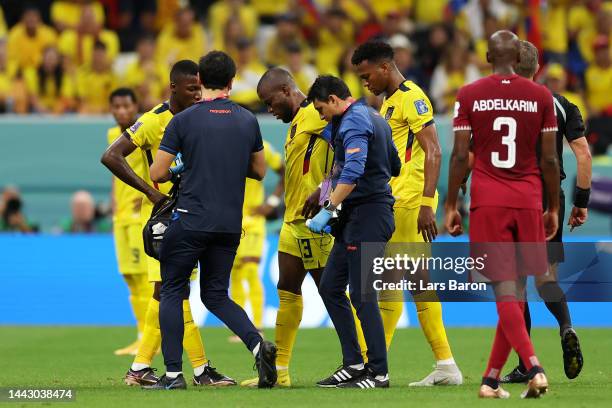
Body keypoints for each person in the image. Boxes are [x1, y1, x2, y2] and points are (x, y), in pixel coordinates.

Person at [146, 51, 277, 390]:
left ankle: (173, 375)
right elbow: (260, 172)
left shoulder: (184, 120)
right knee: (216, 294)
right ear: (233, 83)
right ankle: (258, 344)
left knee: (173, 290)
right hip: (229, 225)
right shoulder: (248, 120)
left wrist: (186, 164)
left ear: (200, 81)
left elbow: (157, 172)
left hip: (190, 221)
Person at [102, 60, 231, 388]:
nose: (198, 94)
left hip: (193, 217)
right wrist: (152, 194)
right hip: (166, 220)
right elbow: (111, 156)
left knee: (168, 292)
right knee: (173, 291)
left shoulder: (201, 118)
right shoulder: (154, 121)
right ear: (172, 87)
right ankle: (198, 370)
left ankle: (142, 367)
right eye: (191, 89)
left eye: (200, 88)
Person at [445, 30, 560, 399]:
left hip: (488, 201)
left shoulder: (469, 94)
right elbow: (549, 159)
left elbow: (461, 155)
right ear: (521, 57)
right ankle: (490, 380)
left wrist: (450, 204)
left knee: (505, 291)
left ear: (487, 56)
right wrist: (553, 205)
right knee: (517, 292)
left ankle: (534, 368)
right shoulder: (541, 96)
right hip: (528, 198)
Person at [351, 40, 463, 386]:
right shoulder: (389, 103)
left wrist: (428, 203)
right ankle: (439, 365)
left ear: (385, 67)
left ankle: (374, 365)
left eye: (367, 75)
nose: (364, 82)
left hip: (410, 204)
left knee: (404, 285)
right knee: (403, 285)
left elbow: (434, 150)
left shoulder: (412, 97)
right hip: (396, 203)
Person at [500, 40, 591, 384]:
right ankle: (566, 326)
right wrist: (581, 201)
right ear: (537, 68)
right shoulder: (561, 104)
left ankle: (527, 363)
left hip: (513, 194)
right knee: (546, 277)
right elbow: (582, 155)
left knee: (515, 283)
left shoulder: (497, 103)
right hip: (551, 197)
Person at [240, 67, 334, 388]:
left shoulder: (317, 114)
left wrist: (325, 193)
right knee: (287, 291)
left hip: (314, 223)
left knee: (332, 294)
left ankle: (367, 363)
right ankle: (280, 373)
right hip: (291, 222)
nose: (269, 109)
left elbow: (349, 153)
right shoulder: (296, 121)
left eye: (270, 102)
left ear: (285, 91)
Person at [306, 75, 401, 389]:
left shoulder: (353, 122)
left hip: (369, 215)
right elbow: (395, 165)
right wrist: (326, 193)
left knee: (362, 294)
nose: (321, 115)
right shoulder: (373, 118)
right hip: (359, 216)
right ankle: (353, 363)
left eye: (322, 108)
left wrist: (327, 207)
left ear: (334, 99)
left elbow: (353, 171)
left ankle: (379, 373)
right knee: (331, 287)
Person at [106, 88, 151, 356]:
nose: (121, 111)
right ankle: (140, 335)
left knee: (144, 278)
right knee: (130, 278)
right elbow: (115, 171)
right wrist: (114, 198)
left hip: (137, 216)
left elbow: (153, 164)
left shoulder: (142, 131)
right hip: (120, 215)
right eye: (116, 107)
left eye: (126, 106)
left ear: (136, 106)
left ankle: (149, 339)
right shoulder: (112, 135)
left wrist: (145, 193)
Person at [229, 140, 284, 342]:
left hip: (252, 221)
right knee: (233, 274)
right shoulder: (223, 145)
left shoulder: (264, 148)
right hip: (229, 220)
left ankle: (258, 326)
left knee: (250, 271)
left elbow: (284, 172)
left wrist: (271, 203)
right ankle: (239, 328)